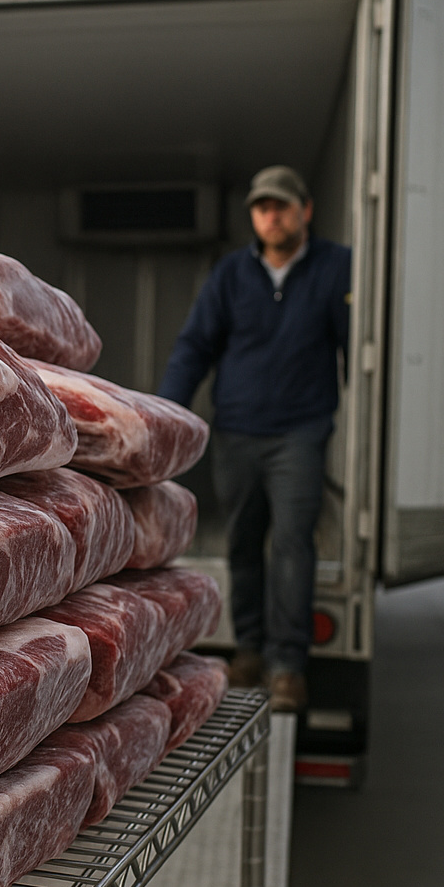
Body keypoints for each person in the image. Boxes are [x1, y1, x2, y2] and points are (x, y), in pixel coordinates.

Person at [156, 166, 350, 713]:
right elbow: (195, 345)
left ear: (305, 211)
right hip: (238, 431)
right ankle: (249, 650)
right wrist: (167, 412)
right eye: (263, 207)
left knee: (291, 544)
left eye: (283, 206)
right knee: (244, 543)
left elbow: (358, 345)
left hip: (300, 434)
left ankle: (288, 666)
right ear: (254, 216)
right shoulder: (231, 275)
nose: (272, 215)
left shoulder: (337, 268)